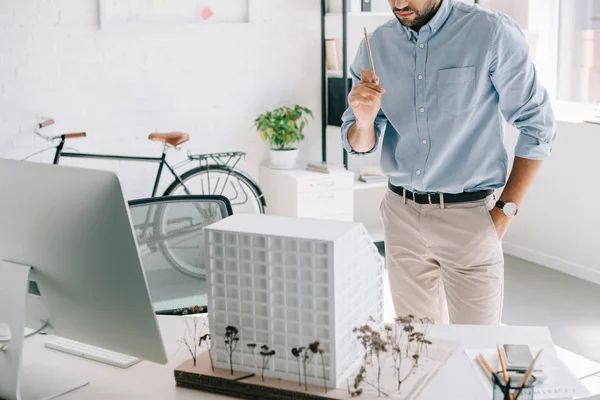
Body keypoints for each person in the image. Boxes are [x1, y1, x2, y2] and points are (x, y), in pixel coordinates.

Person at [341, 0, 556, 325]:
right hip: (401, 218)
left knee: (476, 349)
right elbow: (360, 144)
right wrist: (364, 120)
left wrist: (503, 213)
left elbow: (538, 126)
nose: (398, 3)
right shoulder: (375, 46)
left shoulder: (490, 33)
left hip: (470, 219)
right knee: (416, 349)